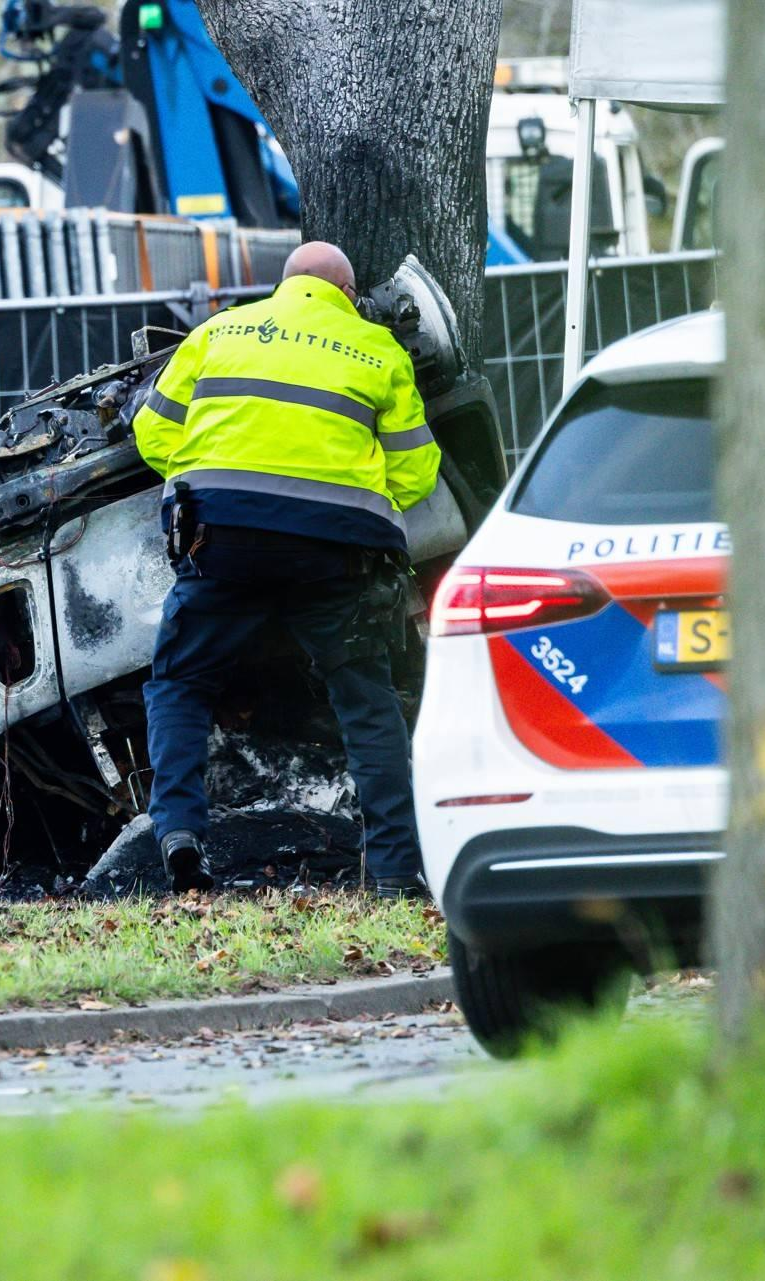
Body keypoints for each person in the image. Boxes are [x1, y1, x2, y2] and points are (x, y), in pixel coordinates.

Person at [130, 241, 441, 898]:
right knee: (366, 700)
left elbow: (152, 434)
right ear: (350, 296)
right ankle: (392, 872)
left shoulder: (216, 332)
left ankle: (180, 833)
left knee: (180, 682)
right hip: (334, 548)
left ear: (285, 285)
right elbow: (416, 474)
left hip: (222, 536)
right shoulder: (377, 351)